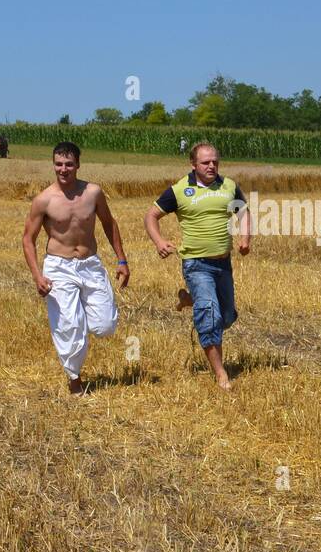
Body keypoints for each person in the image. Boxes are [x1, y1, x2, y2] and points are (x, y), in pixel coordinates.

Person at [20, 142, 129, 396]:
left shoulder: (93, 193)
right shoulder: (44, 200)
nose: (64, 169)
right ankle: (74, 379)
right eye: (59, 164)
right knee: (69, 327)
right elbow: (28, 239)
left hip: (90, 264)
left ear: (78, 165)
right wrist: (38, 275)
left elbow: (108, 224)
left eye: (69, 164)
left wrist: (121, 260)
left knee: (105, 326)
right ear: (53, 165)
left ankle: (83, 321)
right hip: (59, 267)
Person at [144, 142, 251, 391]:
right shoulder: (180, 190)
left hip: (223, 263)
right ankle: (221, 373)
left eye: (215, 161)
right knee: (210, 317)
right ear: (193, 165)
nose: (211, 165)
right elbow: (151, 216)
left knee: (227, 316)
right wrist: (159, 241)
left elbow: (244, 212)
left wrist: (245, 238)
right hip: (196, 264)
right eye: (205, 162)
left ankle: (190, 299)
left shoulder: (229, 186)